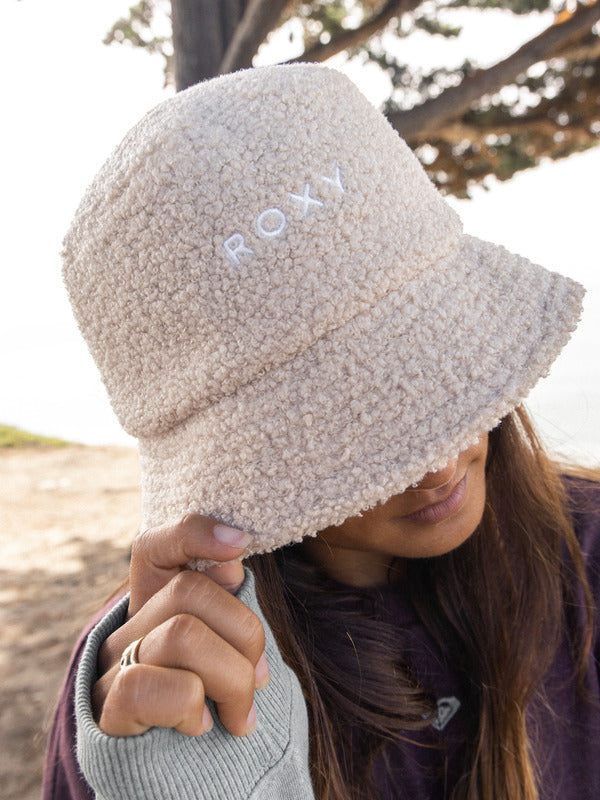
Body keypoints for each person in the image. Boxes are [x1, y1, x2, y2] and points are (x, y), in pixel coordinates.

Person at [43, 64, 600, 800]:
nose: (437, 455)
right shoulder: (147, 695)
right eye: (360, 414)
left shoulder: (586, 555)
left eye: (440, 364)